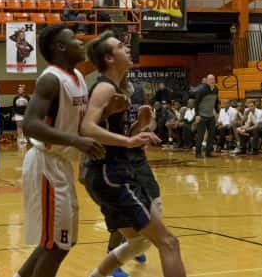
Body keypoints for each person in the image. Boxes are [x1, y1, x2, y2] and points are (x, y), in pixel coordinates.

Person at [80, 31, 186, 277]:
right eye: (119, 46)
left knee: (139, 243)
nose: (126, 48)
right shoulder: (104, 87)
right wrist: (129, 140)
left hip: (110, 173)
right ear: (108, 58)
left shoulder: (118, 88)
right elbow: (87, 128)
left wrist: (140, 126)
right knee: (169, 243)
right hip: (111, 174)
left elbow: (111, 133)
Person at [14, 25, 105, 277]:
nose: (81, 42)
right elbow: (30, 125)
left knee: (61, 241)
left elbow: (73, 121)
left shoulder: (76, 76)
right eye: (74, 39)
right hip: (46, 164)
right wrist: (75, 142)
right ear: (60, 47)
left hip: (62, 164)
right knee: (57, 244)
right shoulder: (51, 79)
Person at [193, 74, 219, 158]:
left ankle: (208, 152)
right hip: (202, 115)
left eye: (213, 79)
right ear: (207, 81)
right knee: (200, 135)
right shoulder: (202, 90)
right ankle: (198, 153)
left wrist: (217, 112)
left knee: (211, 134)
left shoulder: (216, 89)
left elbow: (215, 101)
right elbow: (196, 103)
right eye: (210, 79)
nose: (212, 81)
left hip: (210, 115)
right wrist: (197, 115)